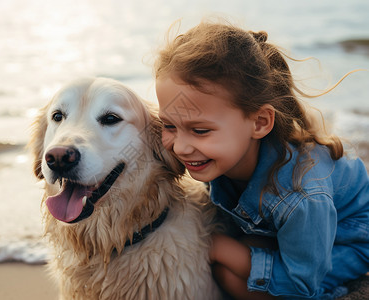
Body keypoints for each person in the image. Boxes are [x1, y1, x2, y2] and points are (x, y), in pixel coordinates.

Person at [153, 19, 369, 299]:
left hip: (345, 239)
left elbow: (301, 283)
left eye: (200, 130)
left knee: (227, 274)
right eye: (169, 126)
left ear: (259, 123)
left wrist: (217, 246)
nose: (180, 147)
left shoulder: (300, 197)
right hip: (293, 228)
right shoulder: (223, 154)